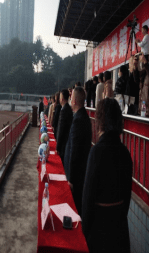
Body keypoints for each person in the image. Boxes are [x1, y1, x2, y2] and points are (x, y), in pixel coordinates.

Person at [82, 98, 132, 252]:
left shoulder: (96, 151)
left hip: (99, 228)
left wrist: (85, 231)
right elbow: (127, 197)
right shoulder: (125, 152)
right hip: (120, 228)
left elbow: (87, 198)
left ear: (100, 120)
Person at [63, 87, 92, 216]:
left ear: (74, 101)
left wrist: (71, 179)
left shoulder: (79, 119)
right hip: (78, 174)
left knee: (74, 210)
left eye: (71, 97)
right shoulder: (82, 117)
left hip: (76, 177)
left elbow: (75, 152)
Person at [56, 89, 73, 161]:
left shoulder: (64, 110)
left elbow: (61, 130)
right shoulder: (68, 108)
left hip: (63, 144)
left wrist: (58, 147)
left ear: (62, 98)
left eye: (60, 97)